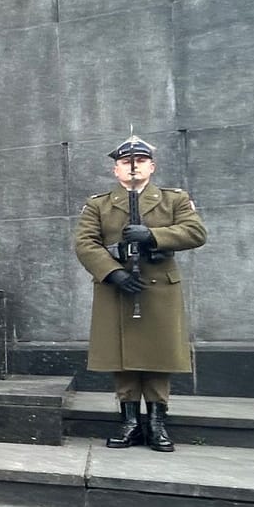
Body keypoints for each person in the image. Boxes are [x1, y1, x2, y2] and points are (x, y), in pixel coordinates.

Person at [74, 136, 208, 452]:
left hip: (158, 288)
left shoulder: (173, 200)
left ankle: (158, 422)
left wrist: (153, 235)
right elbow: (85, 243)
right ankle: (131, 422)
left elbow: (195, 232)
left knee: (158, 356)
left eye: (139, 161)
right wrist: (113, 272)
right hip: (117, 288)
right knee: (123, 357)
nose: (132, 167)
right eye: (125, 162)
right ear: (116, 169)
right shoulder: (99, 204)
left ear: (151, 166)